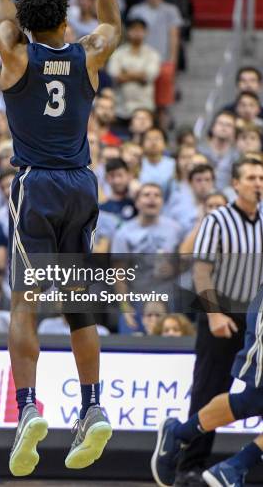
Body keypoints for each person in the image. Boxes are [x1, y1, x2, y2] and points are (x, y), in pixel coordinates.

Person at [0, 0, 121, 476]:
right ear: (68, 22)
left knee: (26, 300)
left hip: (35, 184)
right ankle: (91, 408)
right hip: (80, 186)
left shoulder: (16, 57)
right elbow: (112, 23)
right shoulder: (89, 54)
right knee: (79, 306)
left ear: (26, 26)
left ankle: (26, 409)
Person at [171, 157, 263, 487]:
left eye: (262, 177)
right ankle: (188, 465)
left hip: (256, 317)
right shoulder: (218, 219)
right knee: (211, 388)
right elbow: (201, 270)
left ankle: (234, 466)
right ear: (235, 184)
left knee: (254, 395)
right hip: (221, 310)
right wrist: (212, 314)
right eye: (251, 177)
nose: (258, 183)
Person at [152, 284, 263, 487]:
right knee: (254, 398)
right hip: (231, 309)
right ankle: (234, 465)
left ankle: (182, 435)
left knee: (255, 399)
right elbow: (200, 268)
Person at [129, 0, 183, 114]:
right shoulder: (136, 10)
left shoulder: (171, 11)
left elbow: (174, 37)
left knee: (162, 104)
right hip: (140, 63)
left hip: (163, 61)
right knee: (142, 102)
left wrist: (172, 62)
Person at [107, 18, 160, 126]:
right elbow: (115, 75)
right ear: (128, 32)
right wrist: (139, 74)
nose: (137, 33)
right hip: (121, 108)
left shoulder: (152, 54)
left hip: (145, 107)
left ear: (146, 32)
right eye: (134, 30)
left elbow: (148, 75)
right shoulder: (118, 53)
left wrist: (126, 73)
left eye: (140, 30)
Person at [198, 111, 238, 190]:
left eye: (228, 125)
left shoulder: (237, 155)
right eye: (221, 124)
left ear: (234, 131)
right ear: (213, 127)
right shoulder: (199, 151)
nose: (224, 127)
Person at [139, 127, 175, 198]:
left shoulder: (173, 164)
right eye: (149, 139)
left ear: (165, 144)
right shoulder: (137, 164)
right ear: (142, 144)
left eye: (157, 139)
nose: (153, 142)